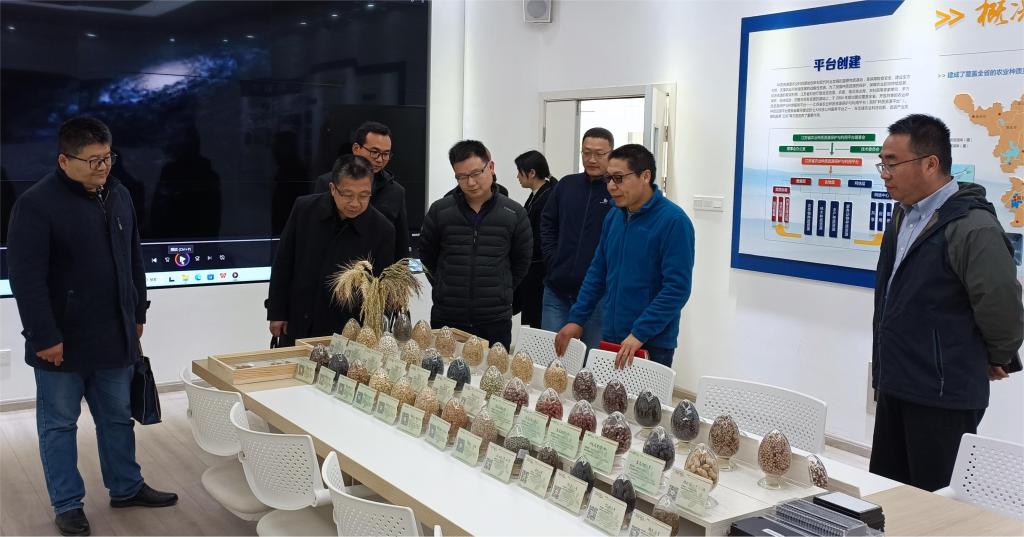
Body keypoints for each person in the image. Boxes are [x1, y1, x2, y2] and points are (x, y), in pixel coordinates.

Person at [7, 117, 178, 537]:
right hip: (60, 342)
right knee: (59, 425)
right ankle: (67, 504)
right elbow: (26, 279)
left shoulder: (118, 194)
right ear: (64, 160)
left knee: (118, 418)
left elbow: (133, 258)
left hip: (115, 335)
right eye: (93, 160)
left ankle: (126, 487)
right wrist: (44, 336)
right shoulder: (35, 204)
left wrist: (137, 312)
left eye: (107, 157)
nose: (103, 167)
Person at [869, 114, 1023, 491]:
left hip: (943, 396)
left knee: (937, 504)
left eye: (893, 163)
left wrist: (996, 355)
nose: (885, 174)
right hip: (897, 382)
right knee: (889, 498)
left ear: (930, 164)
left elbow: (1001, 304)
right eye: (882, 163)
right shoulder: (903, 216)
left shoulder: (972, 226)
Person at [555, 144, 694, 369]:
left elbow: (677, 289)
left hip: (651, 342)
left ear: (645, 176)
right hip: (612, 334)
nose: (611, 186)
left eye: (619, 178)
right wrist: (577, 319)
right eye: (608, 178)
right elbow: (597, 273)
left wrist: (639, 333)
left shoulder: (674, 221)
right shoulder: (614, 217)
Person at [269, 155, 397, 346]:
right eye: (348, 195)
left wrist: (372, 331)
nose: (355, 203)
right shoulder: (305, 210)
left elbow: (380, 289)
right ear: (332, 189)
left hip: (346, 327)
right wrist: (277, 312)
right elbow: (283, 263)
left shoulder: (382, 229)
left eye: (364, 195)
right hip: (299, 317)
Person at [418, 140, 532, 348]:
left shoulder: (514, 213)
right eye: (461, 177)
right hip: (448, 316)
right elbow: (427, 257)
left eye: (476, 173)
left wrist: (501, 288)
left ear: (491, 167)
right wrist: (444, 285)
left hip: (494, 319)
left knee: (493, 369)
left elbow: (521, 262)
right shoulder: (440, 211)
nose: (470, 183)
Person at [540, 127, 616, 350]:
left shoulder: (616, 191)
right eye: (586, 152)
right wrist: (553, 259)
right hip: (558, 290)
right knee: (552, 357)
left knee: (594, 361)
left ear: (611, 153)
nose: (592, 159)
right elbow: (547, 223)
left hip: (599, 296)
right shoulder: (566, 185)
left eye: (599, 154)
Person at [313, 121, 411, 258]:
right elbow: (316, 233)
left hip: (377, 266)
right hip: (335, 263)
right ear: (356, 148)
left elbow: (401, 245)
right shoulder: (328, 182)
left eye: (386, 154)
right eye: (374, 152)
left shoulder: (396, 191)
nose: (380, 159)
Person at [513, 150, 558, 328]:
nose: (517, 176)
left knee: (535, 321)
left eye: (519, 172)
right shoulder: (536, 194)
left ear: (531, 172)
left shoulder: (547, 196)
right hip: (532, 269)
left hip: (540, 269)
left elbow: (540, 236)